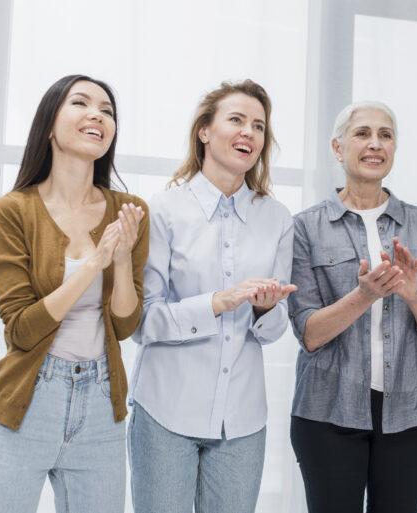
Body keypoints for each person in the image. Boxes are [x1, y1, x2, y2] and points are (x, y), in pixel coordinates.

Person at [0, 74, 149, 513]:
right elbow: (21, 330)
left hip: (101, 406)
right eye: (82, 104)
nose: (97, 115)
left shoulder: (131, 211)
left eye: (107, 111)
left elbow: (126, 325)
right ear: (50, 125)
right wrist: (94, 262)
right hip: (28, 403)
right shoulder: (12, 211)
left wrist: (122, 260)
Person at [129, 79, 296, 513]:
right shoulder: (162, 211)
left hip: (241, 420)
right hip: (165, 412)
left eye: (259, 126)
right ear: (204, 130)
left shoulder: (277, 219)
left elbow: (275, 330)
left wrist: (264, 308)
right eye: (236, 120)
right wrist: (217, 303)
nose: (249, 133)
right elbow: (143, 323)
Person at [288, 101, 417, 513]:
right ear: (337, 146)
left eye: (386, 134)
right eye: (362, 133)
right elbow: (309, 332)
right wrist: (365, 295)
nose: (375, 143)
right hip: (327, 411)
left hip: (411, 412)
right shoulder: (306, 226)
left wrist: (413, 294)